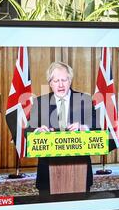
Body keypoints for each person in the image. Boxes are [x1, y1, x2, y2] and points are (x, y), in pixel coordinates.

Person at [27, 62, 98, 195]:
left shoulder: (85, 100)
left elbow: (97, 126)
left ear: (70, 81)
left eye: (64, 80)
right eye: (56, 81)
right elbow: (28, 130)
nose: (60, 85)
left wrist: (84, 127)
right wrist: (38, 131)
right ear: (50, 83)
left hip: (79, 170)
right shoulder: (40, 102)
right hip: (47, 170)